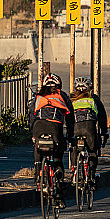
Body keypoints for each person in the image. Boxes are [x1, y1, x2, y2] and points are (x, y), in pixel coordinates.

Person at [28, 73, 74, 208]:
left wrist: (32, 133)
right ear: (58, 86)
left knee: (38, 145)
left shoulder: (38, 96)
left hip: (38, 125)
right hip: (55, 126)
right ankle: (59, 195)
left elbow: (31, 115)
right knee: (58, 157)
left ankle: (38, 171)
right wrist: (70, 135)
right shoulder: (63, 95)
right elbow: (70, 118)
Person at [69, 77, 108, 185]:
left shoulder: (71, 99)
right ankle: (91, 175)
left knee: (74, 148)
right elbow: (102, 117)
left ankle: (74, 170)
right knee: (92, 152)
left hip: (75, 128)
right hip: (89, 129)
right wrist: (104, 132)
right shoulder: (93, 99)